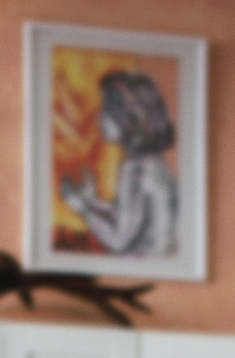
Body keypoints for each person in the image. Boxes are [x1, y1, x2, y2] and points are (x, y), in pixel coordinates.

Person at [59, 69, 178, 260]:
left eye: (106, 109)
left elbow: (118, 240)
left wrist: (82, 208)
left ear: (126, 116)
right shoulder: (153, 163)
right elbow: (129, 219)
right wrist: (92, 202)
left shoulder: (135, 171)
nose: (99, 116)